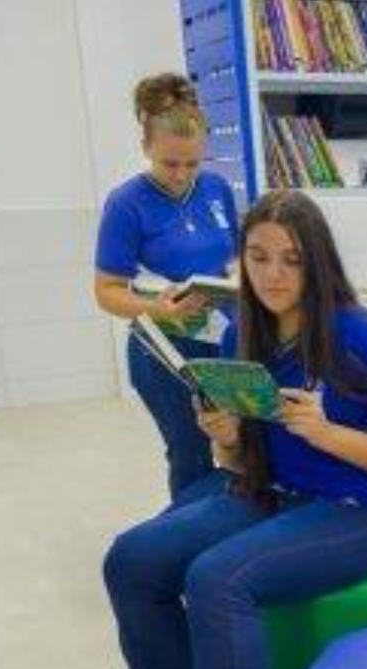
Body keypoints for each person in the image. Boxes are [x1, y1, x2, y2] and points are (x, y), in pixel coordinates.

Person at [103, 190, 367, 669]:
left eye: (291, 260)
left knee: (216, 581)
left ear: (317, 263)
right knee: (130, 560)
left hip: (361, 512)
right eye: (258, 258)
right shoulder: (238, 335)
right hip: (272, 496)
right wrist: (226, 436)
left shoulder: (365, 336)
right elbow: (238, 464)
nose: (272, 275)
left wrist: (327, 434)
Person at [93, 73, 239, 496]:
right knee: (190, 453)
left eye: (192, 164)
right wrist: (159, 308)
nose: (181, 175)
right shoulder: (126, 203)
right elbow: (106, 291)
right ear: (146, 148)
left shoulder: (216, 188)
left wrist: (241, 280)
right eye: (169, 163)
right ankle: (189, 529)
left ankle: (230, 524)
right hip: (163, 348)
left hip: (223, 340)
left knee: (239, 444)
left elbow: (235, 257)